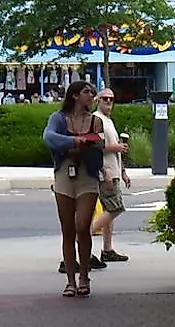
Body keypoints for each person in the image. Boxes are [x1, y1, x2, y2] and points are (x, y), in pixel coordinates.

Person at [45, 80, 106, 296]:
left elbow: (98, 143)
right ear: (74, 96)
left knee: (82, 226)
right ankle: (71, 280)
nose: (91, 95)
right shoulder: (59, 118)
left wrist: (81, 142)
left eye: (92, 92)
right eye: (86, 92)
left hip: (87, 175)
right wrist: (76, 142)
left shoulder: (95, 121)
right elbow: (49, 137)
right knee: (68, 229)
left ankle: (84, 275)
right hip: (64, 173)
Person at [92, 90, 132, 266]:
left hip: (114, 170)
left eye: (111, 99)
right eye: (105, 99)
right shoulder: (96, 119)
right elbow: (95, 146)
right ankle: (84, 236)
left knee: (111, 209)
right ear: (97, 100)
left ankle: (107, 249)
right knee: (115, 208)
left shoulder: (108, 121)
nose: (108, 102)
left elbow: (115, 149)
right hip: (105, 172)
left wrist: (123, 172)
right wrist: (115, 148)